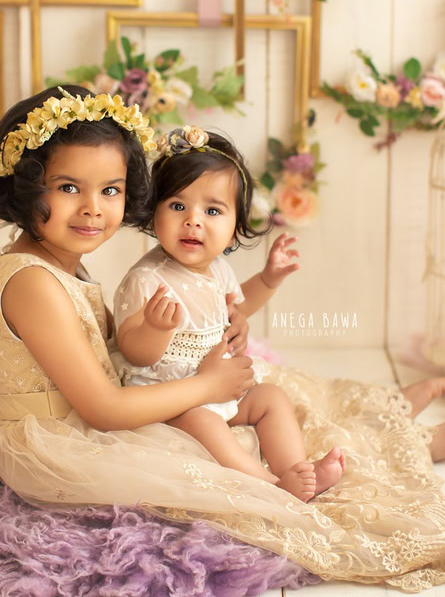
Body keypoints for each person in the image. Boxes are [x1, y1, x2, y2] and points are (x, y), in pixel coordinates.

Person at [0, 84, 445, 590]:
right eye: (69, 187)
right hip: (62, 439)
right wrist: (206, 385)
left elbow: (111, 352)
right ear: (25, 187)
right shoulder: (33, 282)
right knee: (212, 449)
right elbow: (105, 408)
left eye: (110, 190)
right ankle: (310, 475)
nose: (93, 207)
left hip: (103, 406)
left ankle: (403, 429)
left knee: (284, 396)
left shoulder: (61, 265)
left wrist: (218, 337)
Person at [112, 125, 344, 501]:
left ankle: (296, 469)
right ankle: (270, 486)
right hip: (168, 401)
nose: (193, 220)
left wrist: (268, 279)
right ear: (153, 215)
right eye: (177, 206)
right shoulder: (147, 280)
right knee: (204, 423)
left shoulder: (218, 269)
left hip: (218, 389)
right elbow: (133, 351)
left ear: (234, 229)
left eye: (212, 210)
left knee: (271, 398)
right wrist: (154, 329)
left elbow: (237, 309)